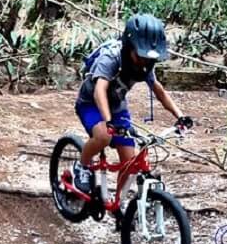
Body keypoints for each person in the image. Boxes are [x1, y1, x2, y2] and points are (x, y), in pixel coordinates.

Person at [73, 13, 192, 202]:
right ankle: (82, 165)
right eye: (140, 56)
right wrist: (108, 121)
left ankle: (118, 204)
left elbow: (159, 91)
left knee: (130, 162)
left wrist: (180, 116)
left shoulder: (145, 64)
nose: (144, 62)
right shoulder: (111, 57)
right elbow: (99, 90)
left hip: (117, 106)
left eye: (148, 58)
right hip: (91, 103)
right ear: (129, 46)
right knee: (103, 136)